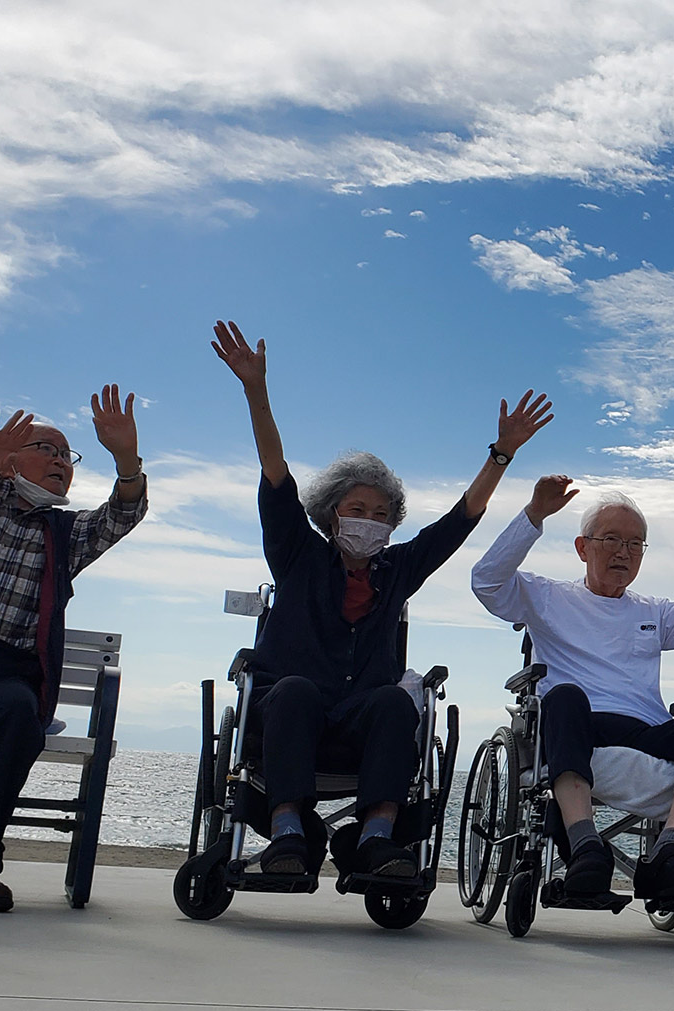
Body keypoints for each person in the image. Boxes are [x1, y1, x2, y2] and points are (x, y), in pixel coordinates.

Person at [212, 319, 552, 879]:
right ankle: (288, 833)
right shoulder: (298, 554)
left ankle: (375, 839)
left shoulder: (397, 571)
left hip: (359, 723)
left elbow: (459, 520)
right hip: (290, 716)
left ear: (393, 524)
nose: (368, 521)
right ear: (330, 515)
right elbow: (276, 473)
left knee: (396, 701)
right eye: (356, 510)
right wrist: (256, 390)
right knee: (294, 689)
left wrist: (501, 454)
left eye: (380, 514)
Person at [0, 388, 147, 911]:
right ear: (9, 458)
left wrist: (127, 460)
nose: (61, 462)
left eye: (67, 456)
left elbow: (121, 515)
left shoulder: (66, 533)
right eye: (47, 450)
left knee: (17, 714)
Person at [471, 476, 674, 902]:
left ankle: (669, 851)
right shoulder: (547, 596)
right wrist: (534, 515)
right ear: (583, 548)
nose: (623, 552)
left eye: (635, 544)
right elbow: (486, 582)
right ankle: (584, 846)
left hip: (646, 730)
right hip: (577, 726)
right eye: (612, 539)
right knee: (563, 695)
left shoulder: (653, 611)